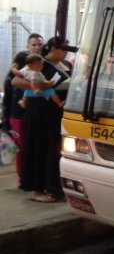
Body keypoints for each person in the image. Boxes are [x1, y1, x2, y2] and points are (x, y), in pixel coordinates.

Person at [14, 36, 74, 202]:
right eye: (63, 50)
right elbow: (16, 81)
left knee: (55, 152)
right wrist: (43, 87)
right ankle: (38, 188)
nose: (65, 53)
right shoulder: (38, 62)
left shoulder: (67, 65)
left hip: (58, 114)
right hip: (39, 113)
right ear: (53, 48)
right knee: (40, 149)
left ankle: (54, 185)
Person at [1, 33, 44, 183]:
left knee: (32, 146)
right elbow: (11, 85)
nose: (37, 47)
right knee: (22, 148)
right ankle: (23, 179)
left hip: (33, 113)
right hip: (18, 113)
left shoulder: (42, 63)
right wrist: (5, 119)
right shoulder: (21, 60)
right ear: (27, 46)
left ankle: (30, 176)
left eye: (39, 44)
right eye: (34, 44)